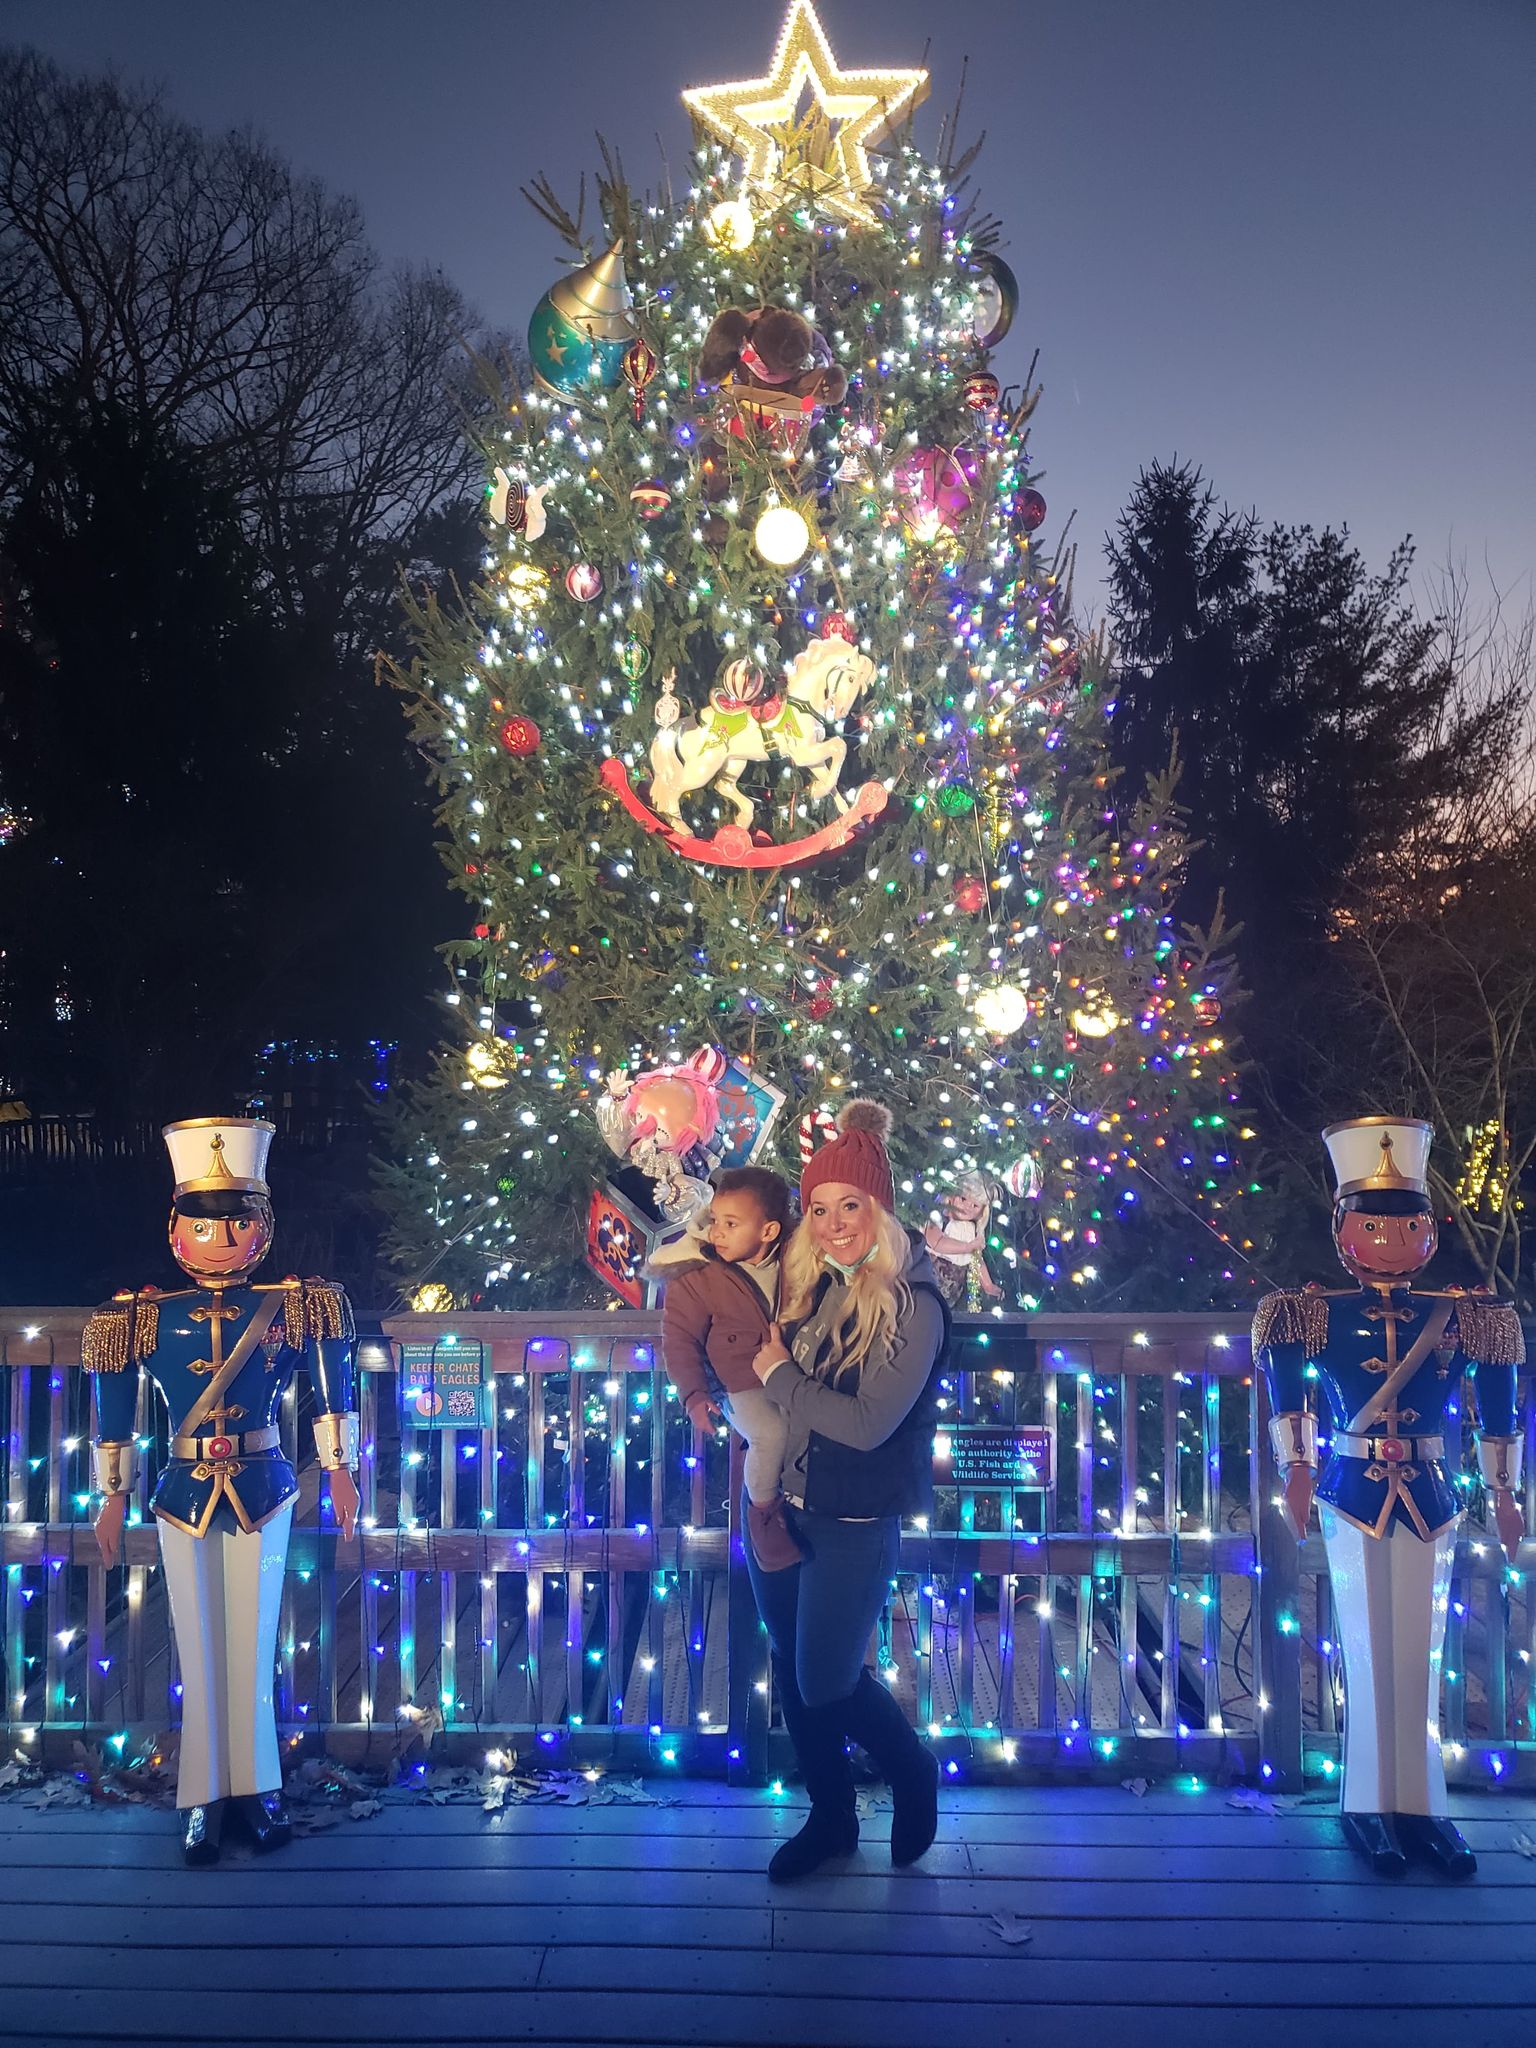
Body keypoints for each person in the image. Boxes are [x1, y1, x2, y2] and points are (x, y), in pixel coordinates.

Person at [1254, 1115, 1525, 1878]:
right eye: (1371, 1225)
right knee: (1367, 1652)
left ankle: (1425, 1809)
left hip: (1435, 1492)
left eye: (1405, 1226)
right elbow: (1286, 1390)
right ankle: (1368, 1807)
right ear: (1344, 1229)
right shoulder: (1313, 1312)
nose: (1389, 1241)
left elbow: (1500, 1399)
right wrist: (1297, 1467)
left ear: (1429, 1233)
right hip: (1349, 1489)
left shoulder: (1469, 1314)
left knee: (1422, 1652)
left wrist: (1507, 1491)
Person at [87, 1118, 360, 1866]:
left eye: (238, 1223)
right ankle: (202, 1799)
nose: (220, 1238)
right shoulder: (141, 1317)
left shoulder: (300, 1305)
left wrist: (339, 1463)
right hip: (180, 1490)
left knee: (254, 1637)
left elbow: (333, 1385)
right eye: (202, 1224)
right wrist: (113, 1494)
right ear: (175, 1228)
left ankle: (254, 1791)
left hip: (265, 1485)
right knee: (197, 1644)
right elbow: (115, 1414)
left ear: (263, 1227)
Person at [746, 1099, 949, 1883]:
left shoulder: (913, 1304)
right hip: (779, 1511)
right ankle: (830, 1819)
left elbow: (866, 1424)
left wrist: (778, 1377)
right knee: (796, 1669)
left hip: (855, 1522)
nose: (833, 1223)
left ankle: (911, 1767)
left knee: (826, 1677)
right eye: (820, 1208)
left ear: (883, 1210)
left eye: (851, 1206)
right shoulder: (820, 1283)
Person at [660, 1166, 799, 1570]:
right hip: (737, 1382)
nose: (717, 1232)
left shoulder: (797, 1257)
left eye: (731, 1224)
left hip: (792, 1371)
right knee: (771, 1433)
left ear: (768, 1231)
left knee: (805, 1426)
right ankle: (763, 1515)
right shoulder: (700, 1275)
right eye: (716, 1220)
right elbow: (679, 1336)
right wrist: (695, 1394)